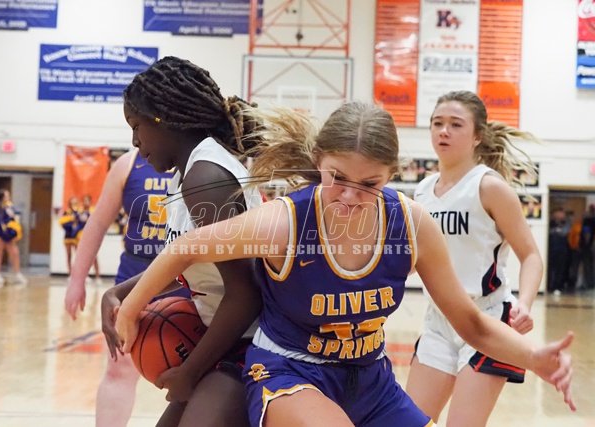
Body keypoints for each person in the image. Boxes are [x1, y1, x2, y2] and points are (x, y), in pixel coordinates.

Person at [114, 101, 575, 427]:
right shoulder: (284, 223)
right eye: (337, 178)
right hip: (289, 371)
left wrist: (533, 358)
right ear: (319, 163)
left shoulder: (411, 224)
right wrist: (130, 310)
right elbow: (187, 247)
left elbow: (471, 323)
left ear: (392, 175)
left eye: (370, 184)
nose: (351, 197)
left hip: (372, 380)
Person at [96, 56, 264, 427]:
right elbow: (190, 268)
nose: (135, 142)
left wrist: (191, 371)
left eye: (136, 127)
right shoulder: (189, 172)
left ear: (163, 118)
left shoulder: (206, 177)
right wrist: (120, 293)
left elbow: (246, 293)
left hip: (251, 343)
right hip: (227, 340)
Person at [405, 90, 545, 426]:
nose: (444, 131)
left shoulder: (489, 187)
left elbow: (531, 255)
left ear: (477, 135)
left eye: (456, 124)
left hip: (487, 318)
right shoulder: (422, 192)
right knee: (408, 421)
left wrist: (525, 304)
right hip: (439, 320)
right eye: (437, 123)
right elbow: (415, 259)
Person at [65, 148, 181, 427]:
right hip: (134, 274)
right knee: (120, 368)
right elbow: (98, 222)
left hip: (185, 277)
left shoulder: (197, 159)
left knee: (192, 371)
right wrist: (77, 279)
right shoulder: (127, 164)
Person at [0, 189, 27, 286]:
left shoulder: (11, 206)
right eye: (6, 195)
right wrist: (4, 228)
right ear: (1, 197)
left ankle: (17, 274)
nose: (8, 197)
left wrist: (14, 229)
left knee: (15, 253)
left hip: (9, 233)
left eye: (8, 195)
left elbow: (15, 217)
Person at [75, 194, 101, 283]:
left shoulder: (93, 210)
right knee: (82, 257)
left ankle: (97, 276)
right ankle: (84, 276)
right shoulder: (80, 211)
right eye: (84, 200)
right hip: (81, 235)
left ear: (90, 201)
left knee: (93, 256)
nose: (86, 202)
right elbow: (76, 221)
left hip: (91, 235)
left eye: (87, 200)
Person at [58, 196, 80, 273]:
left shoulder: (79, 212)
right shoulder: (66, 212)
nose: (74, 203)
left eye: (75, 202)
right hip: (68, 235)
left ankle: (78, 273)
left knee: (78, 255)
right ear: (70, 203)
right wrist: (71, 223)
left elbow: (80, 223)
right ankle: (70, 273)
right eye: (72, 202)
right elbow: (62, 223)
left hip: (77, 236)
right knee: (69, 255)